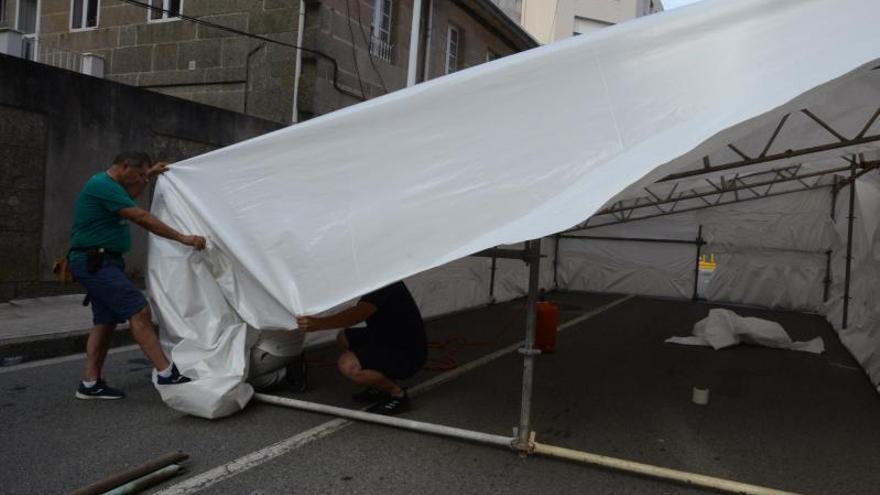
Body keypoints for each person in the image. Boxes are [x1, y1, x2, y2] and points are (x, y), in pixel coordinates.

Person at [68, 152, 206, 400]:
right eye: (139, 174)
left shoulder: (113, 186)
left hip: (102, 262)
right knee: (139, 311)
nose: (141, 179)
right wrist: (183, 238)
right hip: (96, 263)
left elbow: (131, 196)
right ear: (124, 167)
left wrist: (149, 174)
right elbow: (141, 216)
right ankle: (166, 372)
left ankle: (90, 384)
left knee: (105, 322)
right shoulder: (102, 185)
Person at [296, 281, 427, 415]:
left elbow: (356, 315)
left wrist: (318, 323)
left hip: (407, 352)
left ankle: (397, 395)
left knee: (349, 365)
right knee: (344, 336)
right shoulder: (378, 278)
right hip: (387, 337)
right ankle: (379, 384)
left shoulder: (386, 283)